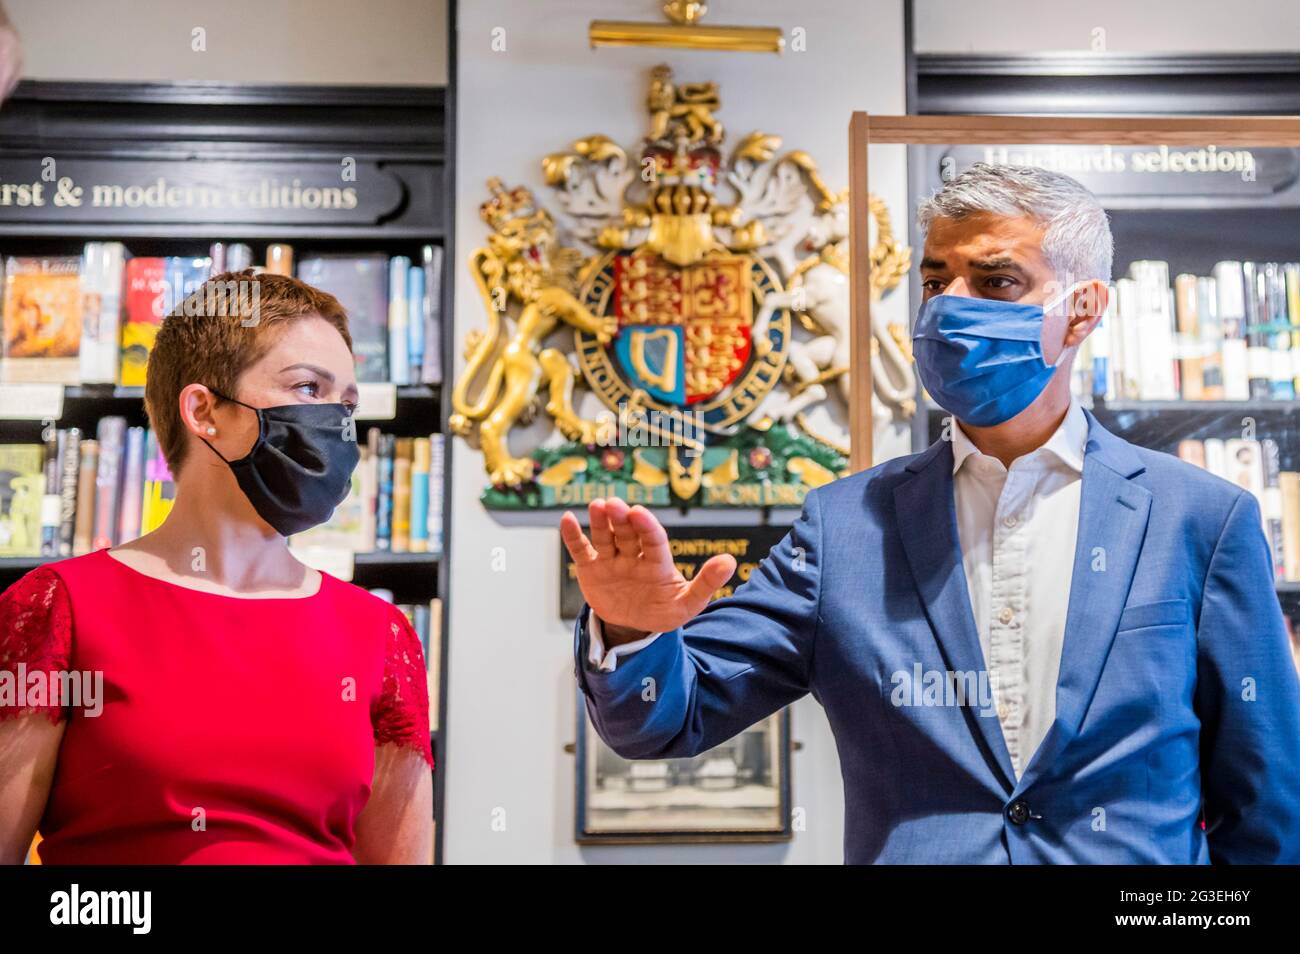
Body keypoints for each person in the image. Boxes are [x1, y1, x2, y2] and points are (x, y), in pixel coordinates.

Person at [562, 163, 1300, 864]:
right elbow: (667, 722)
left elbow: (1266, 807)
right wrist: (631, 635)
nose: (951, 308)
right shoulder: (845, 528)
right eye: (936, 281)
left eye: (996, 281)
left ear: (1084, 310)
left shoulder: (1201, 521)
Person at [0, 271, 433, 864]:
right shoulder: (57, 608)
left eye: (347, 403)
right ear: (204, 410)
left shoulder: (382, 636)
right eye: (309, 388)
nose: (336, 422)